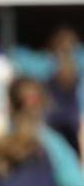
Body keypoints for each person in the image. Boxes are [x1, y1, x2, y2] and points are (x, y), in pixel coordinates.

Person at [9, 27, 84, 157]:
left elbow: (16, 56)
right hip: (67, 123)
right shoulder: (72, 64)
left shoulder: (46, 65)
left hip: (56, 122)